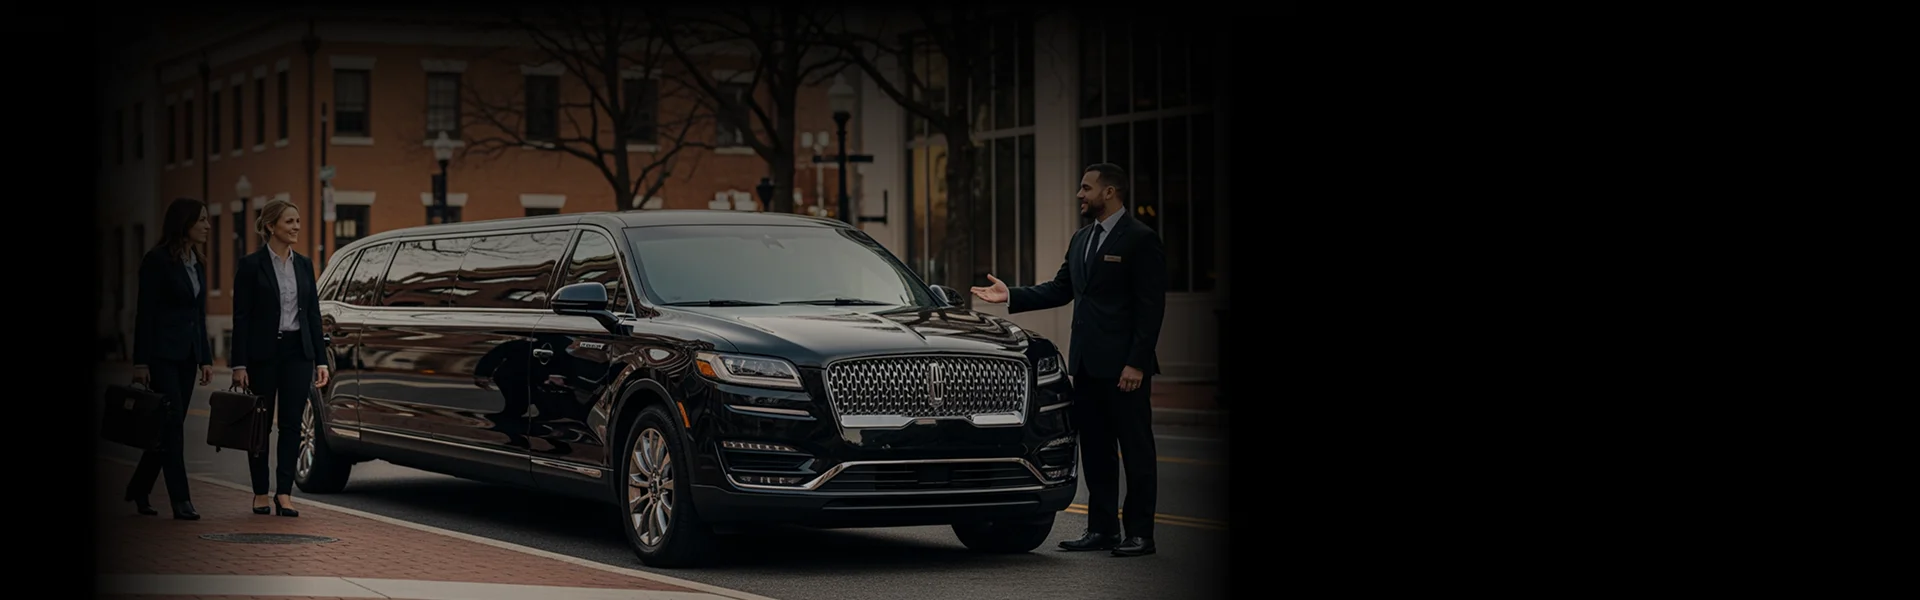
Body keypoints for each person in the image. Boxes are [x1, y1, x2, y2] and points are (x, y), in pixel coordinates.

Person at [971, 163, 1167, 557]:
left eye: (1086, 188)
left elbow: (1150, 308)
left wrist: (1136, 363)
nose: (1080, 194)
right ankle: (1102, 529)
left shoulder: (1140, 240)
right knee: (1096, 451)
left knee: (1136, 450)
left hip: (1124, 369)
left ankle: (1141, 533)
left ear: (1109, 192)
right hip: (1087, 367)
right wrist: (1011, 295)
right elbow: (1061, 290)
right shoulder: (1081, 239)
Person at [230, 198, 329, 517]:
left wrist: (321, 360)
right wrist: (239, 364)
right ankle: (260, 491)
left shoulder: (304, 264)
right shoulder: (250, 266)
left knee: (291, 425)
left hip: (297, 353)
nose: (296, 227)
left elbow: (312, 314)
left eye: (298, 221)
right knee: (260, 425)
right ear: (271, 226)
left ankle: (284, 493)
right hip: (262, 355)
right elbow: (241, 317)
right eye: (290, 222)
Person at [124, 198, 217, 520]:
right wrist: (141, 363)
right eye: (202, 220)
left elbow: (198, 314)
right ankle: (181, 500)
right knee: (172, 426)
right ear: (184, 222)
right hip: (162, 355)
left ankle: (139, 487)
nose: (207, 225)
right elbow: (145, 314)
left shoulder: (198, 262)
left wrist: (206, 358)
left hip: (188, 356)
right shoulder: (156, 261)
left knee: (167, 426)